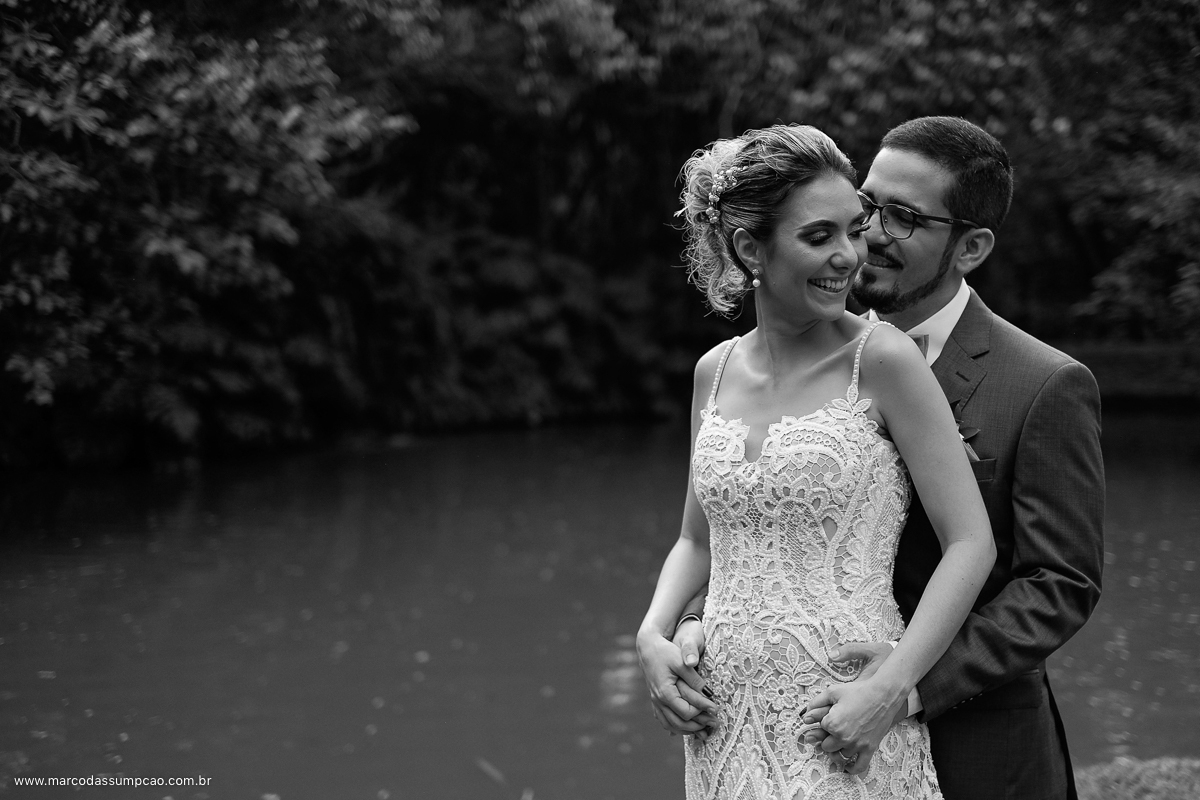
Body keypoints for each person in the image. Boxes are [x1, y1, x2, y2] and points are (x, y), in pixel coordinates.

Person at [659, 117, 1106, 800]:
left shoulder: (1042, 384)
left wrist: (907, 687)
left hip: (971, 735)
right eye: (869, 206)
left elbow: (1059, 585)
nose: (863, 239)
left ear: (971, 246)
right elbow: (736, 529)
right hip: (754, 717)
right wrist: (689, 624)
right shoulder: (736, 363)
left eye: (900, 219)